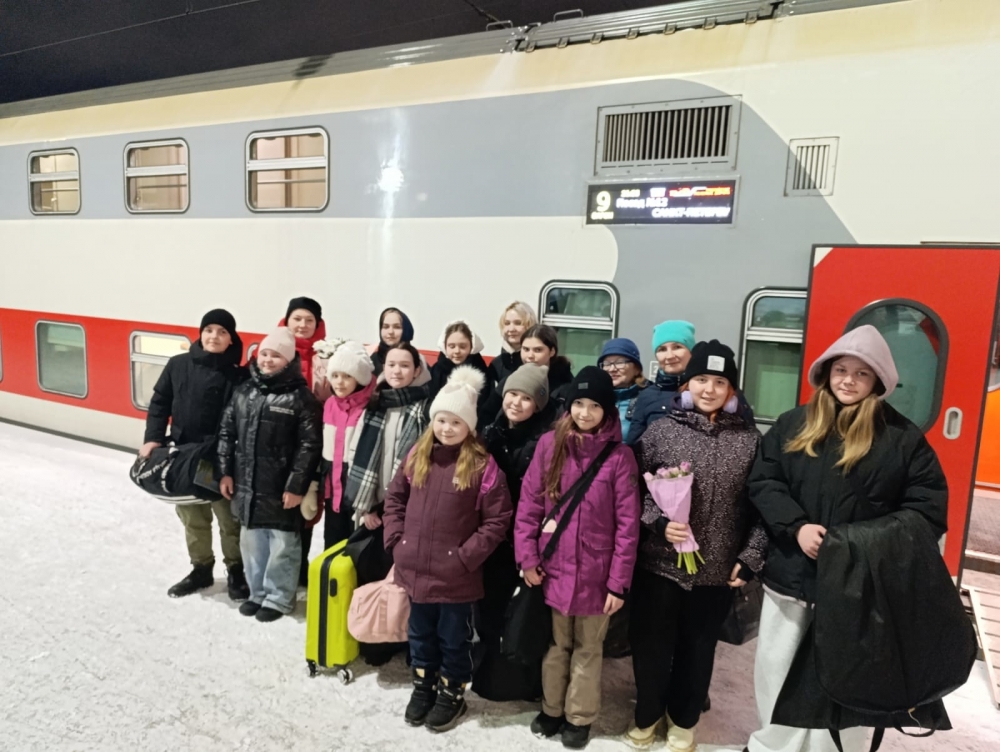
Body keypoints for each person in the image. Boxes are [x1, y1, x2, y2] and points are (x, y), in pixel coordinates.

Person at [745, 325, 947, 752]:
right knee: (778, 669)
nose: (848, 381)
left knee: (850, 677)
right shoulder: (793, 424)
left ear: (878, 381)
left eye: (861, 373)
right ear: (826, 372)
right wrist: (796, 527)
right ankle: (772, 746)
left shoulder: (902, 439)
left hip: (858, 588)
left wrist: (857, 546)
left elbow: (927, 511)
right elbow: (764, 480)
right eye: (841, 370)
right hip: (793, 577)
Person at [626, 341, 766, 750]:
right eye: (701, 379)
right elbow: (633, 490)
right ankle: (648, 713)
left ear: (732, 391)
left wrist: (751, 555)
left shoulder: (750, 442)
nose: (709, 389)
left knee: (699, 648)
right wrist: (658, 521)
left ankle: (684, 719)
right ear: (687, 385)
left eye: (720, 382)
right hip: (659, 565)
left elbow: (763, 506)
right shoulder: (662, 431)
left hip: (715, 569)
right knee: (651, 646)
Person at [514, 367, 641, 750]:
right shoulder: (549, 445)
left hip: (597, 576)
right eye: (579, 404)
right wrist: (527, 557)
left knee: (588, 648)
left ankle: (579, 717)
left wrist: (618, 583)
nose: (585, 413)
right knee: (556, 646)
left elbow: (628, 526)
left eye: (594, 406)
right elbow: (529, 505)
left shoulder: (619, 457)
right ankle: (552, 709)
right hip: (552, 567)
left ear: (608, 411)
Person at [384, 365, 513, 732]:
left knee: (454, 639)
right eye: (441, 420)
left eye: (456, 422)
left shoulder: (482, 466)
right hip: (415, 569)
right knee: (419, 635)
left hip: (456, 577)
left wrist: (465, 557)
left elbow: (497, 520)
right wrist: (396, 541)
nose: (447, 428)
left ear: (469, 426)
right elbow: (394, 499)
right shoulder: (417, 455)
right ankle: (423, 686)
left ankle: (451, 692)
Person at [141, 308, 249, 601]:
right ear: (200, 334)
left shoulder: (239, 376)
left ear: (231, 339)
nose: (214, 336)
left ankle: (236, 570)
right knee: (193, 517)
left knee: (230, 520)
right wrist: (152, 439)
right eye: (209, 330)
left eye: (222, 332)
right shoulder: (178, 365)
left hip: (222, 459)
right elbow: (160, 403)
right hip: (184, 457)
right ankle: (201, 568)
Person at [217, 328, 322, 622]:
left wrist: (296, 486)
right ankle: (257, 593)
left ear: (288, 360)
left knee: (282, 545)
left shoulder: (301, 398)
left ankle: (279, 598)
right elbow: (226, 433)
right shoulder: (244, 391)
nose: (267, 360)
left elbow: (309, 446)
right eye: (264, 353)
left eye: (276, 355)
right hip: (247, 486)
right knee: (251, 543)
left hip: (281, 488)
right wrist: (225, 472)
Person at [474, 364, 557, 702]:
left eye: (526, 398)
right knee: (489, 608)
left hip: (526, 539)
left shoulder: (546, 441)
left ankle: (524, 681)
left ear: (538, 404)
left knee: (524, 614)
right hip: (493, 536)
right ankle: (489, 673)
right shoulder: (490, 433)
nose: (516, 403)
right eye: (512, 394)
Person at [345, 342, 432, 531]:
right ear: (384, 367)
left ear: (417, 371)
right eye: (391, 364)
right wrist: (367, 507)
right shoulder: (375, 405)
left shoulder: (426, 410)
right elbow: (354, 453)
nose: (397, 371)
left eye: (405, 365)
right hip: (370, 510)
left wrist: (386, 507)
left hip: (408, 509)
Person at [279, 296, 326, 585]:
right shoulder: (273, 351)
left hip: (313, 444)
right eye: (297, 318)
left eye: (310, 320)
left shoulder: (326, 356)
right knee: (277, 504)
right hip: (277, 443)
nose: (303, 325)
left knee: (307, 508)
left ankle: (300, 566)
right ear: (287, 320)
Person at [320, 340, 377, 550]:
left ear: (359, 378)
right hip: (332, 488)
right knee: (332, 546)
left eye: (347, 376)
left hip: (357, 487)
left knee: (355, 548)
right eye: (335, 375)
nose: (339, 382)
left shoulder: (371, 407)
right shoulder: (330, 404)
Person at [482, 324, 574, 420]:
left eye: (538, 350)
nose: (530, 355)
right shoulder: (513, 378)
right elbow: (486, 413)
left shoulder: (565, 385)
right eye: (526, 349)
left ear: (552, 351)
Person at [430, 320, 494, 425]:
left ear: (472, 347)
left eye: (463, 346)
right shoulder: (437, 370)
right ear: (445, 346)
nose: (457, 351)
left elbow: (484, 407)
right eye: (452, 346)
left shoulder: (480, 371)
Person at [597, 337, 648, 443]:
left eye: (620, 362)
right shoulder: (596, 397)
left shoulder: (648, 398)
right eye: (607, 364)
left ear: (636, 368)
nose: (612, 369)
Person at [488, 301, 538, 386]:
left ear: (530, 325)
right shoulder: (496, 364)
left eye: (518, 323)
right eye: (507, 323)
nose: (511, 329)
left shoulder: (537, 361)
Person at [369, 307, 415, 377]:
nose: (390, 332)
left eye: (397, 327)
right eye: (386, 327)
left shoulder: (416, 360)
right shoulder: (372, 361)